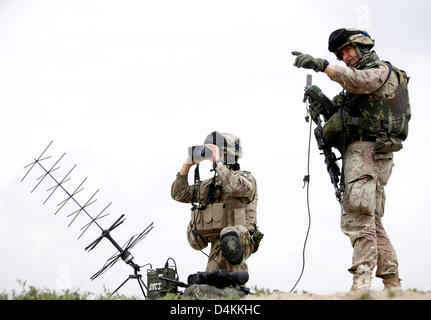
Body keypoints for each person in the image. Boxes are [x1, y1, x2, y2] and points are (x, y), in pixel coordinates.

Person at [292, 28, 411, 291]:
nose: (344, 57)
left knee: (358, 217)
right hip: (367, 153)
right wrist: (323, 103)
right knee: (370, 219)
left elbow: (361, 82)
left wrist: (323, 66)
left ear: (362, 46)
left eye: (347, 50)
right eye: (340, 54)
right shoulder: (360, 79)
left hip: (367, 153)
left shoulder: (379, 70)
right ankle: (392, 282)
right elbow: (347, 111)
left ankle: (361, 282)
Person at [171, 131, 263, 275]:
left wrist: (218, 163)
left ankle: (240, 280)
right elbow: (179, 194)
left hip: (241, 239)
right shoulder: (210, 185)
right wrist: (187, 165)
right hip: (218, 243)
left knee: (229, 236)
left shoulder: (246, 178)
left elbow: (233, 187)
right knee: (213, 280)